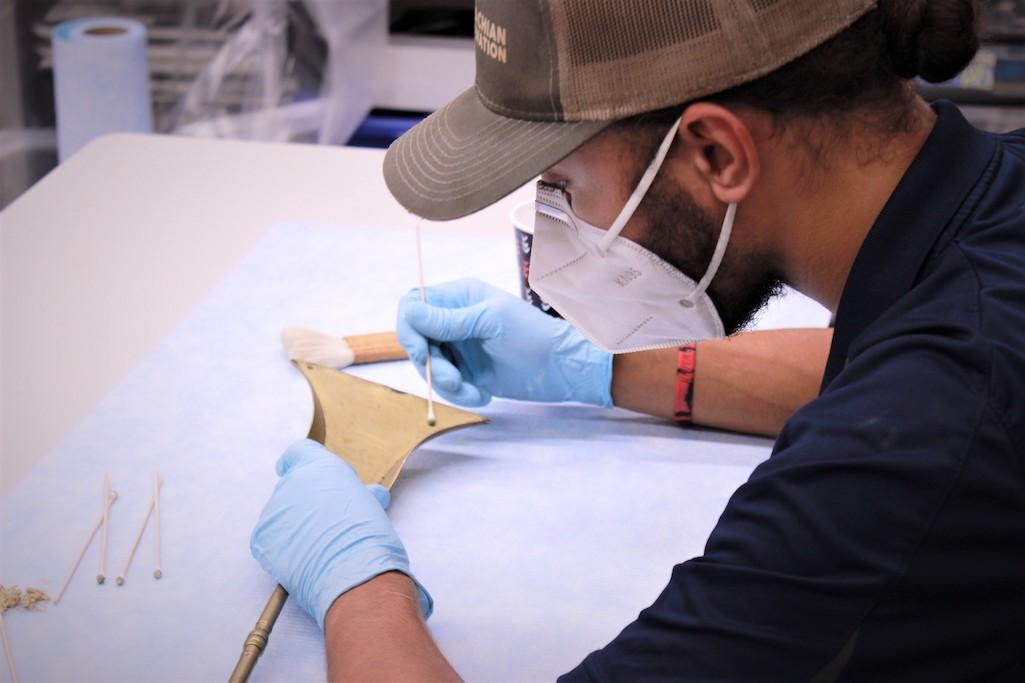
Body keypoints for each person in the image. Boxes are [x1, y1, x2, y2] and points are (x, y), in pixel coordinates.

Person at [250, 0, 1025, 679]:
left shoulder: (908, 455)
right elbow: (884, 372)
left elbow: (915, 420)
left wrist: (358, 584)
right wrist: (600, 370)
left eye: (561, 185)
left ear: (715, 154)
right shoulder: (980, 244)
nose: (555, 223)